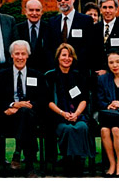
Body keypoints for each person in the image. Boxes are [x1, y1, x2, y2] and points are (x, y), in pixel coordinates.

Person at [0, 40, 44, 174]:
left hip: (30, 116)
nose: (20, 57)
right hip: (8, 117)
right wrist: (13, 105)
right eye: (17, 53)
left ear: (28, 55)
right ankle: (29, 165)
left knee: (26, 113)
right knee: (25, 115)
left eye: (23, 54)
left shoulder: (37, 75)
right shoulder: (1, 75)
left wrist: (26, 106)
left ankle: (18, 150)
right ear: (11, 55)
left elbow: (42, 99)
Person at [45, 43, 92, 176]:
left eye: (70, 56)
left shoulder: (79, 76)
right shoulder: (50, 76)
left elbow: (84, 99)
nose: (67, 58)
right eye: (64, 55)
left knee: (82, 126)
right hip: (58, 117)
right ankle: (69, 162)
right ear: (58, 57)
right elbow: (48, 101)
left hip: (77, 115)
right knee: (67, 129)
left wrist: (76, 114)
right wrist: (63, 113)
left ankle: (77, 161)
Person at [47, 0, 95, 74]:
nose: (62, 1)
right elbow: (49, 47)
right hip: (57, 72)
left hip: (79, 71)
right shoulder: (52, 22)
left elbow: (89, 46)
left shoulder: (86, 20)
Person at [15, 0, 52, 73]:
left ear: (41, 12)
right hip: (23, 71)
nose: (34, 13)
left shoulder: (49, 28)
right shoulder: (18, 29)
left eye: (37, 10)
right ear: (25, 12)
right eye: (31, 10)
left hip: (44, 72)